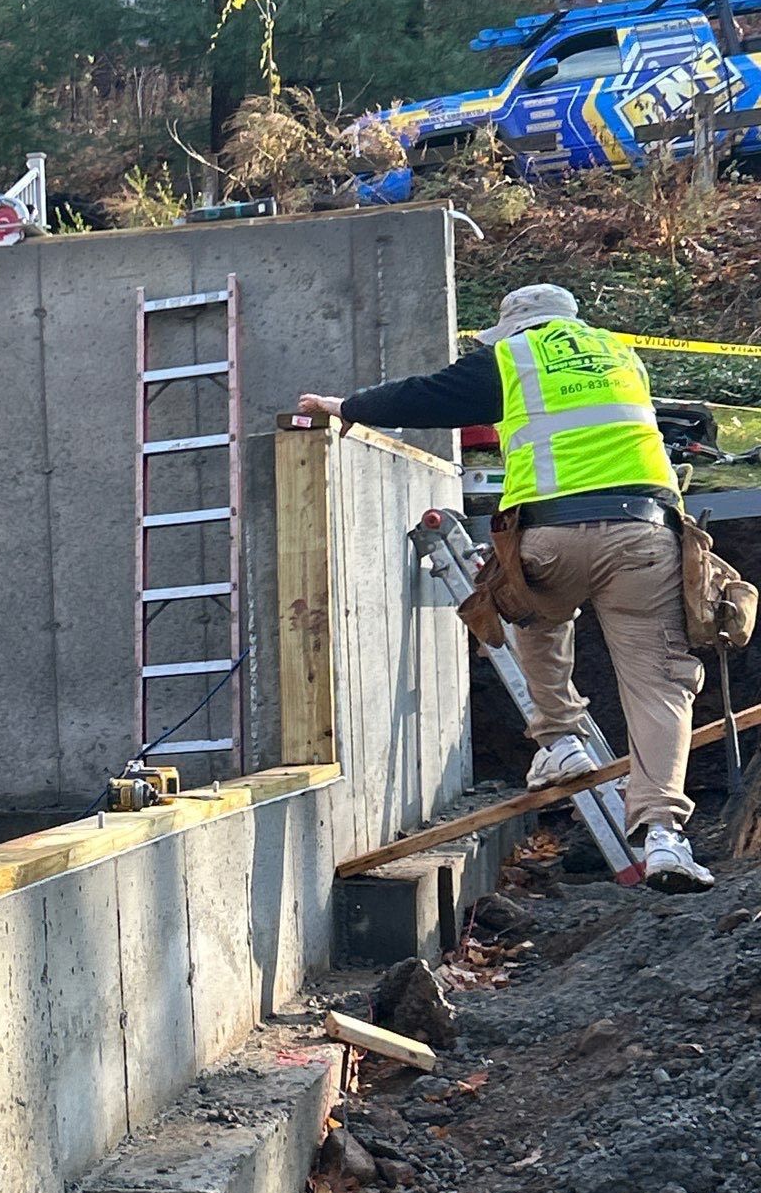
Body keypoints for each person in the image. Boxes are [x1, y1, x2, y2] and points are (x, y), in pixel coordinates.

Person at [300, 282, 712, 893]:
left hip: (549, 533)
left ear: (513, 326)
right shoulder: (621, 355)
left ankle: (560, 736)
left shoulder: (514, 355)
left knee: (529, 613)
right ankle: (662, 836)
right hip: (644, 533)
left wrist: (347, 405)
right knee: (659, 684)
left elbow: (431, 397)